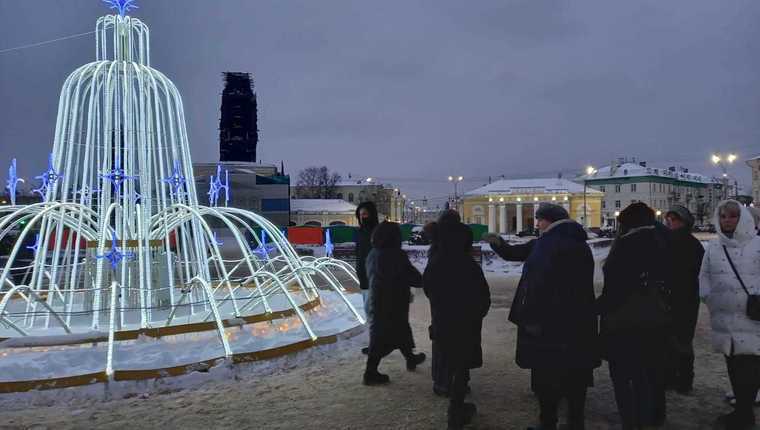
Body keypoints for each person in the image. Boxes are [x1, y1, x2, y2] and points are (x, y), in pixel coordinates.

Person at [503, 203, 599, 430]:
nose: (537, 224)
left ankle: (548, 423)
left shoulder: (547, 245)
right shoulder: (579, 243)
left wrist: (530, 317)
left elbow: (538, 283)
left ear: (552, 221)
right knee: (576, 375)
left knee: (547, 375)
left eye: (540, 219)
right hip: (579, 320)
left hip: (549, 323)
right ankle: (576, 422)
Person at [597, 202, 670, 429]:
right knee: (648, 376)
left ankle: (632, 422)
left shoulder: (626, 246)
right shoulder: (664, 241)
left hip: (624, 324)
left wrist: (594, 307)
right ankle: (651, 418)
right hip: (656, 321)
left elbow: (615, 292)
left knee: (624, 379)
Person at [423, 221, 491, 429]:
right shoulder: (469, 264)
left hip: (443, 323)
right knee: (461, 367)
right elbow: (483, 297)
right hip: (466, 325)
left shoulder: (436, 262)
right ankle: (456, 409)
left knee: (449, 362)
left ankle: (453, 402)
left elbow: (428, 289)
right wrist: (476, 315)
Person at [700, 200, 760, 429]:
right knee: (733, 365)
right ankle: (742, 412)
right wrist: (709, 297)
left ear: (742, 218)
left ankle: (744, 415)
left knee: (749, 368)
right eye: (723, 216)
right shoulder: (714, 247)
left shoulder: (757, 244)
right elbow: (704, 275)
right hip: (724, 317)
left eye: (733, 216)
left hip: (751, 317)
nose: (727, 220)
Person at [363, 221, 426, 385]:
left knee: (398, 331)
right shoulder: (395, 255)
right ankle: (370, 373)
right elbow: (413, 277)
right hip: (393, 302)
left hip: (378, 300)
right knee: (384, 336)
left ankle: (410, 358)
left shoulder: (373, 253)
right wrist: (426, 281)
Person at [664, 205, 704, 394]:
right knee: (674, 340)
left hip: (683, 298)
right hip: (676, 298)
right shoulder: (668, 241)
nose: (670, 222)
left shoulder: (690, 245)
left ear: (684, 222)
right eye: (669, 219)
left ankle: (682, 380)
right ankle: (676, 378)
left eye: (675, 219)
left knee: (680, 341)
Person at [425, 209, 466, 397]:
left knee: (441, 342)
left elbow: (428, 281)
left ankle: (441, 381)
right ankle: (460, 381)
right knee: (462, 342)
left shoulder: (437, 248)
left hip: (441, 305)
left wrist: (435, 298)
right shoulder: (463, 244)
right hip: (462, 303)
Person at [355, 201, 379, 354]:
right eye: (360, 214)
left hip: (375, 278)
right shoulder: (359, 232)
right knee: (370, 312)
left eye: (365, 214)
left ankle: (375, 345)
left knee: (373, 312)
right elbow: (359, 254)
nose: (362, 217)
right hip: (363, 278)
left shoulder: (378, 232)